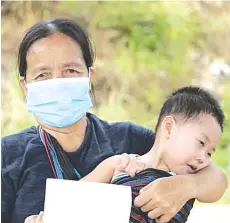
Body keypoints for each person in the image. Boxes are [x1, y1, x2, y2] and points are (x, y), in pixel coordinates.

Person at [1, 18, 228, 223]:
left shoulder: (128, 139)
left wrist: (187, 186)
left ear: (90, 78)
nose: (58, 82)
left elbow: (215, 178)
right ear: (25, 87)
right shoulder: (8, 154)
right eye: (43, 75)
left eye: (70, 70)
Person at [26, 86, 225, 223]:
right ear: (170, 127)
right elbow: (68, 200)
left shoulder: (188, 180)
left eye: (209, 153)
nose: (203, 158)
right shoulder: (119, 165)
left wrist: (188, 186)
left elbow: (218, 187)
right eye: (200, 143)